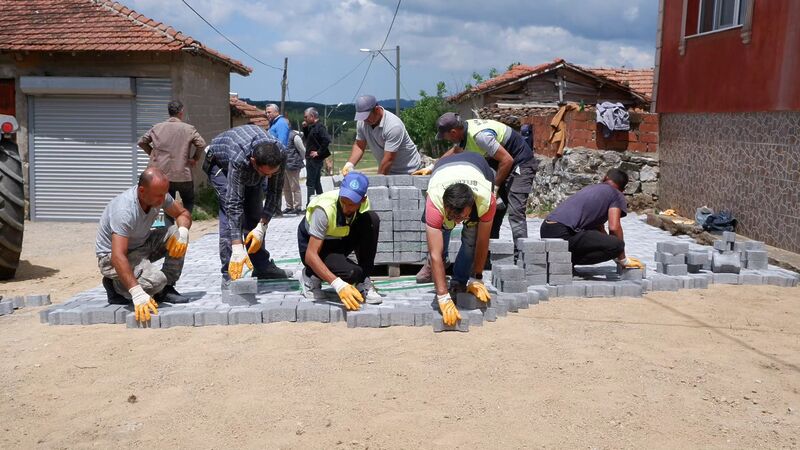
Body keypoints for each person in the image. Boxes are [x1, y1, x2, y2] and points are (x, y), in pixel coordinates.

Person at [95, 167, 192, 324]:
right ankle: (115, 285)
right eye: (158, 195)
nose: (162, 199)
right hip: (113, 258)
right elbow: (118, 255)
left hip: (141, 244)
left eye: (164, 194)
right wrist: (137, 293)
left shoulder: (159, 194)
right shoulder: (124, 210)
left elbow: (183, 214)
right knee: (156, 281)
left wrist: (183, 231)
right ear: (142, 191)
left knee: (176, 233)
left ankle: (166, 288)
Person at [434, 112, 538, 259]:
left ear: (453, 132)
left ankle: (522, 258)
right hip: (501, 163)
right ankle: (488, 256)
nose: (446, 140)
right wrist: (435, 166)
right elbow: (456, 150)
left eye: (446, 136)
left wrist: (495, 188)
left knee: (516, 212)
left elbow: (507, 160)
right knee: (493, 209)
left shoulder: (480, 137)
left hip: (520, 163)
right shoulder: (464, 131)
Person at [203, 124, 291, 283]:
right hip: (220, 165)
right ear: (253, 161)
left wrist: (262, 226)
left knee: (255, 213)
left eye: (273, 173)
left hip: (251, 166)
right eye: (265, 174)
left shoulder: (281, 153)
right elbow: (234, 203)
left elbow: (275, 193)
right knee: (230, 216)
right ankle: (230, 271)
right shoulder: (239, 157)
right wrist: (237, 245)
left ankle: (262, 267)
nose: (269, 177)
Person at [423, 152, 496, 326]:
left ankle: (459, 281)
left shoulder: (486, 201)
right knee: (442, 238)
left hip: (478, 165)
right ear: (445, 205)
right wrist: (442, 295)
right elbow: (435, 253)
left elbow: (482, 241)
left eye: (461, 217)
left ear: (470, 206)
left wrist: (477, 277)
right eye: (452, 216)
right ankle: (440, 278)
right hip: (442, 169)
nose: (457, 222)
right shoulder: (434, 202)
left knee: (471, 240)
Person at [297, 171, 382, 307]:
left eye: (351, 204)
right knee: (352, 273)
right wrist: (338, 284)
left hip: (338, 239)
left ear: (362, 200)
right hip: (314, 246)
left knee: (371, 220)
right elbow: (310, 255)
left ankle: (363, 281)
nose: (346, 207)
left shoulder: (364, 205)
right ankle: (310, 275)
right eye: (344, 201)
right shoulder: (324, 209)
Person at [540, 168, 644, 269]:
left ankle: (562, 262)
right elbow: (614, 227)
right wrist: (623, 258)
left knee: (606, 241)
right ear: (623, 189)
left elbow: (600, 229)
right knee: (618, 244)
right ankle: (564, 262)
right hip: (563, 232)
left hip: (546, 229)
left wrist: (615, 254)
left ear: (605, 178)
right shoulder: (616, 194)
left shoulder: (591, 188)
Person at [138, 100, 206, 222]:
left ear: (169, 112)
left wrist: (153, 154)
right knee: (188, 201)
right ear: (181, 112)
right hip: (183, 175)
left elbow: (142, 142)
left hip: (163, 175)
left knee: (167, 204)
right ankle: (184, 225)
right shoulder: (188, 129)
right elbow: (201, 144)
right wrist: (194, 158)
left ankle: (169, 228)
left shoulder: (157, 128)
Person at [341, 94, 422, 176]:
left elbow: (388, 159)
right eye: (362, 117)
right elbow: (359, 146)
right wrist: (349, 165)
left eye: (367, 116)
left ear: (376, 109)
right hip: (389, 171)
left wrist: (378, 180)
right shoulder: (362, 122)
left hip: (410, 171)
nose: (365, 120)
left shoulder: (393, 126)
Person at [302, 108, 331, 205]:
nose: (304, 119)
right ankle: (322, 202)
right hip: (311, 159)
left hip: (314, 159)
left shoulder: (320, 127)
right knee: (316, 182)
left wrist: (318, 152)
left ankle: (310, 204)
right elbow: (308, 139)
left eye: (306, 117)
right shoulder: (312, 127)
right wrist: (305, 128)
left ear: (312, 116)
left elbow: (327, 140)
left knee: (310, 182)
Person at [282, 128, 306, 214]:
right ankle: (289, 206)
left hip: (293, 164)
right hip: (283, 165)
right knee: (286, 187)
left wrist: (301, 159)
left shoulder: (294, 136)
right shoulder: (281, 135)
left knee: (295, 187)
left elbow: (302, 150)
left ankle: (297, 207)